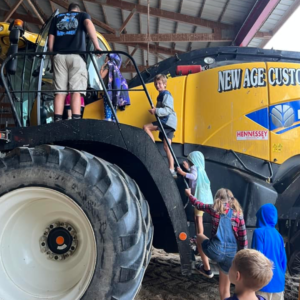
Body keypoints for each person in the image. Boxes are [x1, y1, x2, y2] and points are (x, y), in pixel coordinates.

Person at [185, 188, 248, 300]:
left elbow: (198, 204)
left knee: (199, 236)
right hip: (230, 255)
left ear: (218, 197)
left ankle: (206, 268)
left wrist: (190, 194)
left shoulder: (214, 209)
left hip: (215, 250)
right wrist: (242, 259)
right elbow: (243, 239)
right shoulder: (238, 214)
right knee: (225, 290)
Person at [48, 3, 102, 122]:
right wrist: (97, 46)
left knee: (60, 92)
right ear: (78, 10)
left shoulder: (57, 18)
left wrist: (52, 56)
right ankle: (76, 120)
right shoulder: (82, 15)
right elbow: (88, 24)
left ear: (68, 10)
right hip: (76, 56)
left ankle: (57, 120)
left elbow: (51, 38)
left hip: (59, 56)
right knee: (76, 91)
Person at [143, 74, 177, 177]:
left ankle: (153, 148)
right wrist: (156, 108)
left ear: (165, 84)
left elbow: (168, 109)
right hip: (171, 123)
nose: (158, 86)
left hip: (167, 121)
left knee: (146, 127)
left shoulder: (165, 94)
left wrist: (156, 110)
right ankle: (172, 169)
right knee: (167, 147)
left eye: (160, 83)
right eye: (156, 84)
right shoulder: (161, 95)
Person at [252, 204, 287, 300]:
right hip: (279, 284)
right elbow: (283, 262)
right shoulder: (279, 236)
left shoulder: (258, 232)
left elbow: (257, 258)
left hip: (263, 283)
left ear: (261, 216)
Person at [177, 151, 213, 236]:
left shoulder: (194, 167)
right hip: (203, 199)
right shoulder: (201, 169)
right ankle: (198, 236)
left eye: (190, 161)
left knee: (198, 219)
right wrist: (188, 169)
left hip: (198, 199)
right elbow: (195, 174)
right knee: (197, 217)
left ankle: (200, 237)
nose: (189, 162)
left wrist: (182, 173)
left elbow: (193, 176)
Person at [100, 53, 130, 121]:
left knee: (108, 110)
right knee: (113, 111)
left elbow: (101, 76)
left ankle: (108, 121)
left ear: (109, 58)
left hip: (108, 93)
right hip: (115, 94)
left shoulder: (109, 65)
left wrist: (102, 67)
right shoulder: (116, 68)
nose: (105, 59)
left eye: (106, 57)